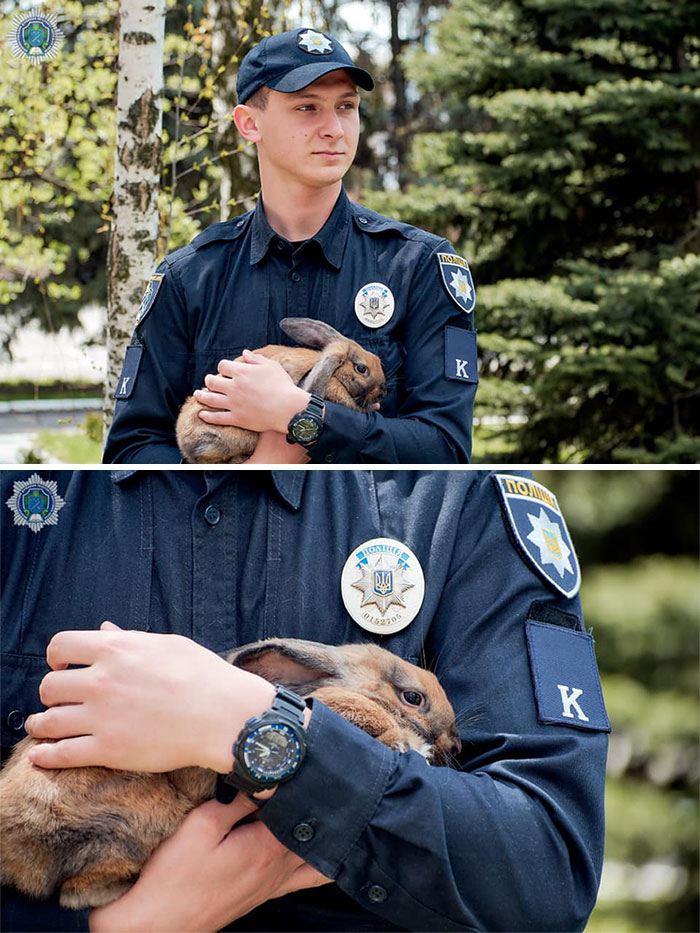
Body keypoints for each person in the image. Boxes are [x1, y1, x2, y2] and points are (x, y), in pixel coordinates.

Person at [2, 469, 608, 932]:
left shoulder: (460, 506)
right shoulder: (31, 506)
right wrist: (117, 928)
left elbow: (549, 871)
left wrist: (255, 732)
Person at [102, 28, 479, 465]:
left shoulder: (418, 267)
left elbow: (444, 450)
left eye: (346, 107)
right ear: (250, 123)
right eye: (307, 107)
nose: (334, 129)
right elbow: (132, 455)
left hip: (358, 533)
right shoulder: (189, 278)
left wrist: (299, 417)